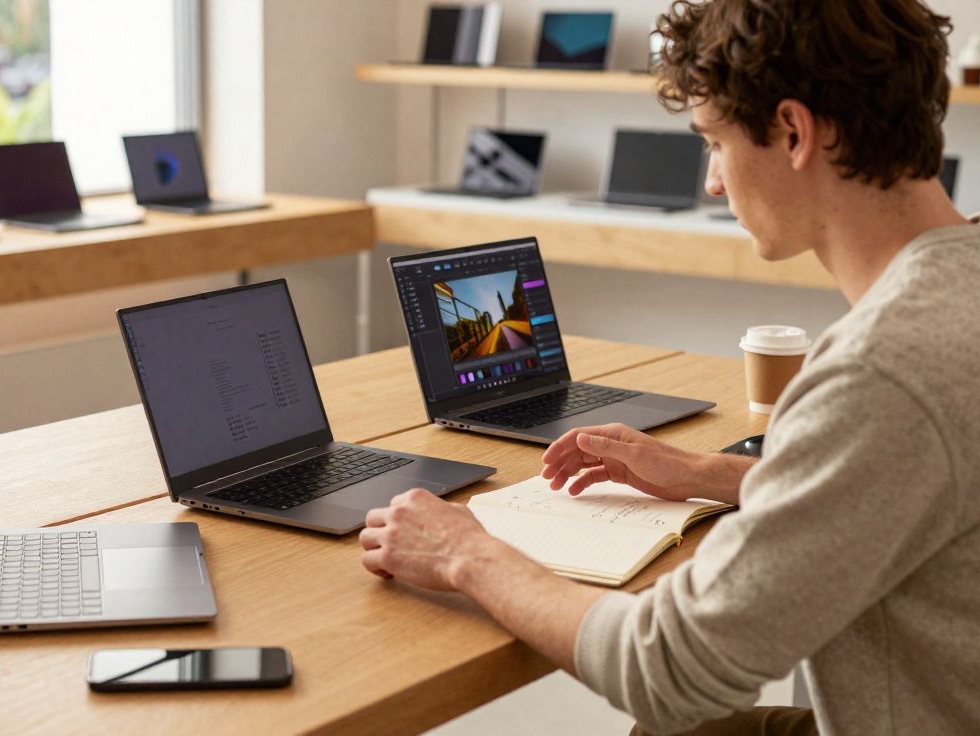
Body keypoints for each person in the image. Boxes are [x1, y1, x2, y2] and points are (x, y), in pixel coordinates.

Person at [358, 0, 980, 733]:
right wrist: (710, 475)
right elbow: (912, 478)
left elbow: (672, 669)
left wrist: (467, 554)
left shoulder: (881, 370)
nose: (713, 182)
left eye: (714, 142)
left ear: (794, 132)